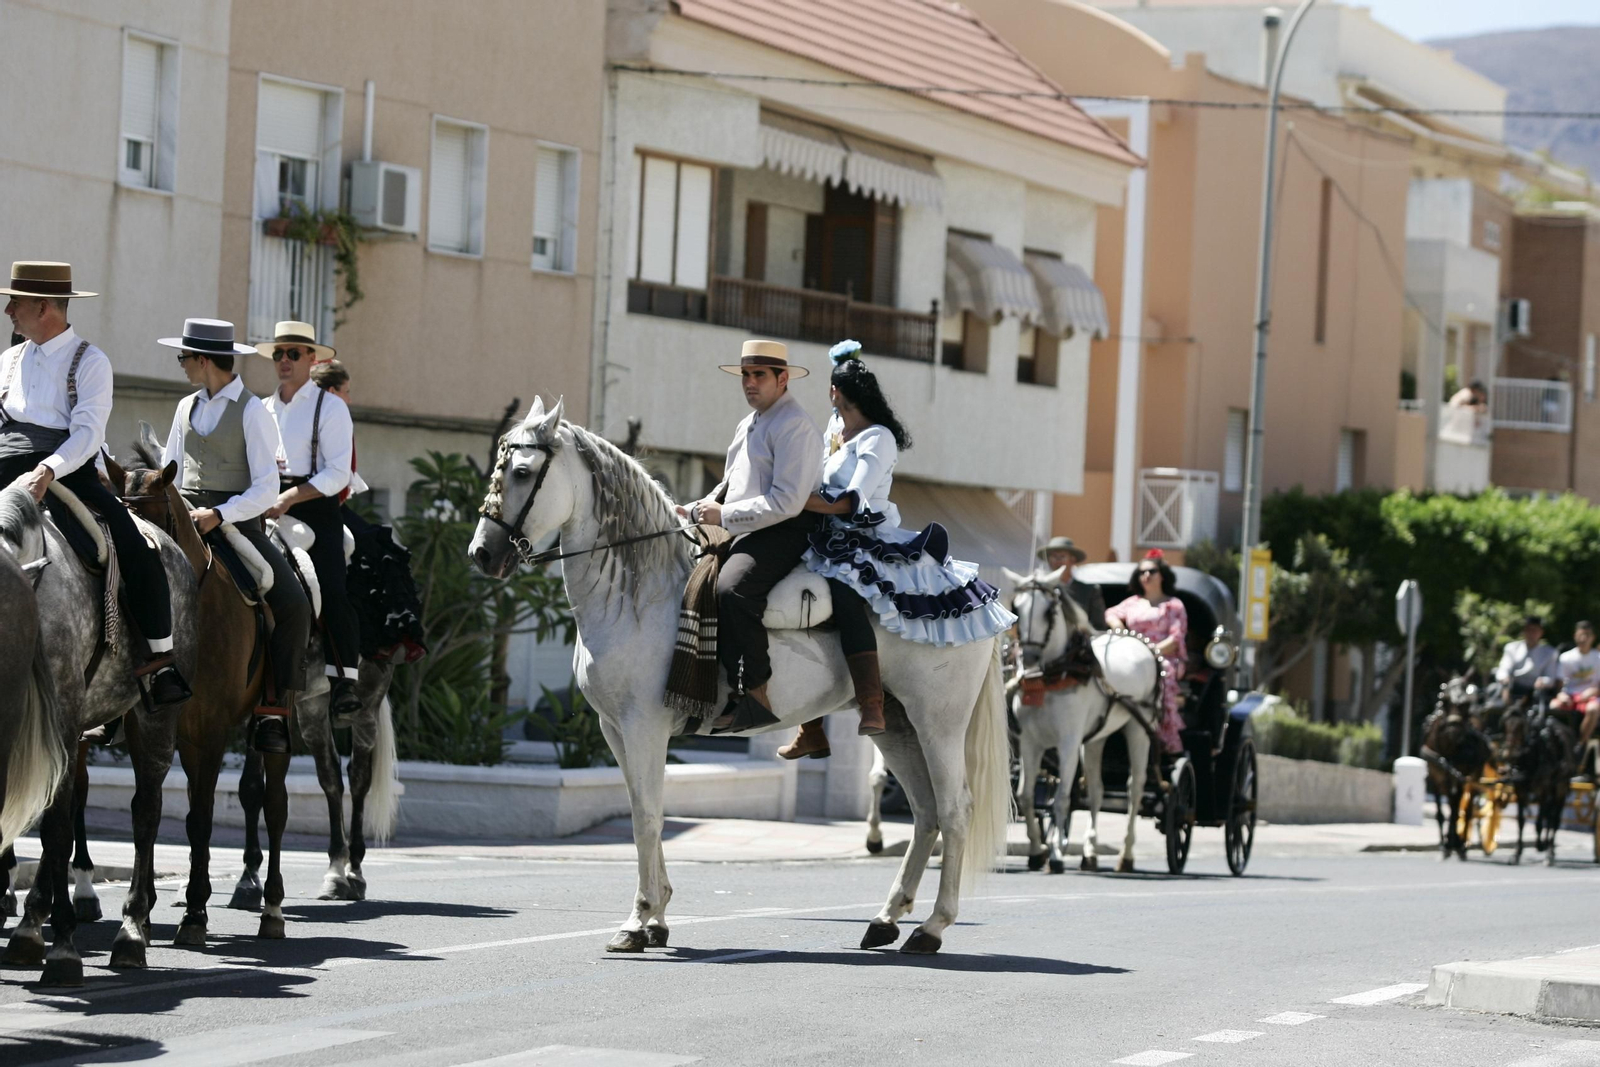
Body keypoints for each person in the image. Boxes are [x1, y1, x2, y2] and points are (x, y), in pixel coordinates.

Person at [775, 340, 1017, 760]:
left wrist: (789, 499)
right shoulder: (834, 428)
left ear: (835, 391)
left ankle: (871, 700)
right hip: (823, 531)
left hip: (865, 536)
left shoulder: (878, 438)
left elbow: (853, 500)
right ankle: (808, 724)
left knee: (847, 597)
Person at [0, 261, 189, 705]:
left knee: (135, 545)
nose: (8, 310)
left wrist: (47, 470)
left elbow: (87, 433)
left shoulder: (90, 361)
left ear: (43, 306)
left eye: (16, 303)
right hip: (4, 466)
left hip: (64, 471)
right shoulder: (7, 359)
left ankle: (160, 662)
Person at [158, 318, 312, 753]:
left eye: (184, 357)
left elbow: (266, 486)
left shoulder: (251, 411)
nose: (182, 365)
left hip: (235, 523)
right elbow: (170, 469)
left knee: (295, 605)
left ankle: (273, 710)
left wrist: (221, 513)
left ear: (203, 360)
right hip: (183, 518)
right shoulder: (184, 406)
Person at [676, 340, 822, 731]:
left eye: (759, 375)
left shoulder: (796, 425)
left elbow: (788, 502)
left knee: (731, 591)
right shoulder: (748, 423)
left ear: (783, 378)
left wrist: (723, 515)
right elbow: (729, 484)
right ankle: (700, 689)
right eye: (745, 375)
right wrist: (694, 508)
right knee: (690, 580)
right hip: (749, 526)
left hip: (788, 529)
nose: (750, 383)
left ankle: (756, 694)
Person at [257, 320, 362, 722]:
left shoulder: (330, 407)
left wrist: (290, 497)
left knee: (332, 587)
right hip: (265, 499)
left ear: (311, 359)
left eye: (293, 354)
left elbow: (338, 473)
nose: (284, 361)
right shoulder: (262, 407)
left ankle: (343, 683)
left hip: (315, 503)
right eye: (279, 354)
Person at [1104, 550, 1188, 753]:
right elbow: (1111, 612)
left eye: (1152, 571)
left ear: (1162, 575)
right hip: (1132, 655)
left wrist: (1149, 652)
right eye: (1142, 573)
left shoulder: (1174, 605)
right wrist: (1118, 626)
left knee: (1164, 676)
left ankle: (1166, 733)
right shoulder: (1132, 602)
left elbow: (1175, 639)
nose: (1146, 576)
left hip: (1163, 657)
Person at [1038, 535, 1106, 630]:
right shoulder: (1041, 590)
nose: (1058, 561)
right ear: (1049, 560)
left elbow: (1099, 626)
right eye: (1054, 557)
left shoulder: (1090, 591)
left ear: (1072, 560)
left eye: (1062, 557)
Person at [1554, 620, 1600, 760]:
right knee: (1553, 706)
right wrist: (1561, 695)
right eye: (1580, 635)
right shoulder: (1566, 657)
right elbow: (1560, 684)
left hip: (1591, 696)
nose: (1583, 639)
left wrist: (1594, 691)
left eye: (1587, 635)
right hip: (1570, 696)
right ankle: (1557, 743)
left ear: (1592, 637)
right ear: (1575, 636)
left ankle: (1580, 744)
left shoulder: (1597, 658)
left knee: (1593, 709)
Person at [1493, 615, 1559, 700]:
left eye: (1534, 630)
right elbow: (1503, 669)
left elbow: (1550, 677)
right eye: (1528, 630)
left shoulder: (1550, 652)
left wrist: (1543, 681)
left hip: (1536, 691)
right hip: (1513, 687)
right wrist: (1504, 678)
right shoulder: (1511, 648)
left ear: (1541, 632)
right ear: (1523, 631)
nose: (1531, 633)